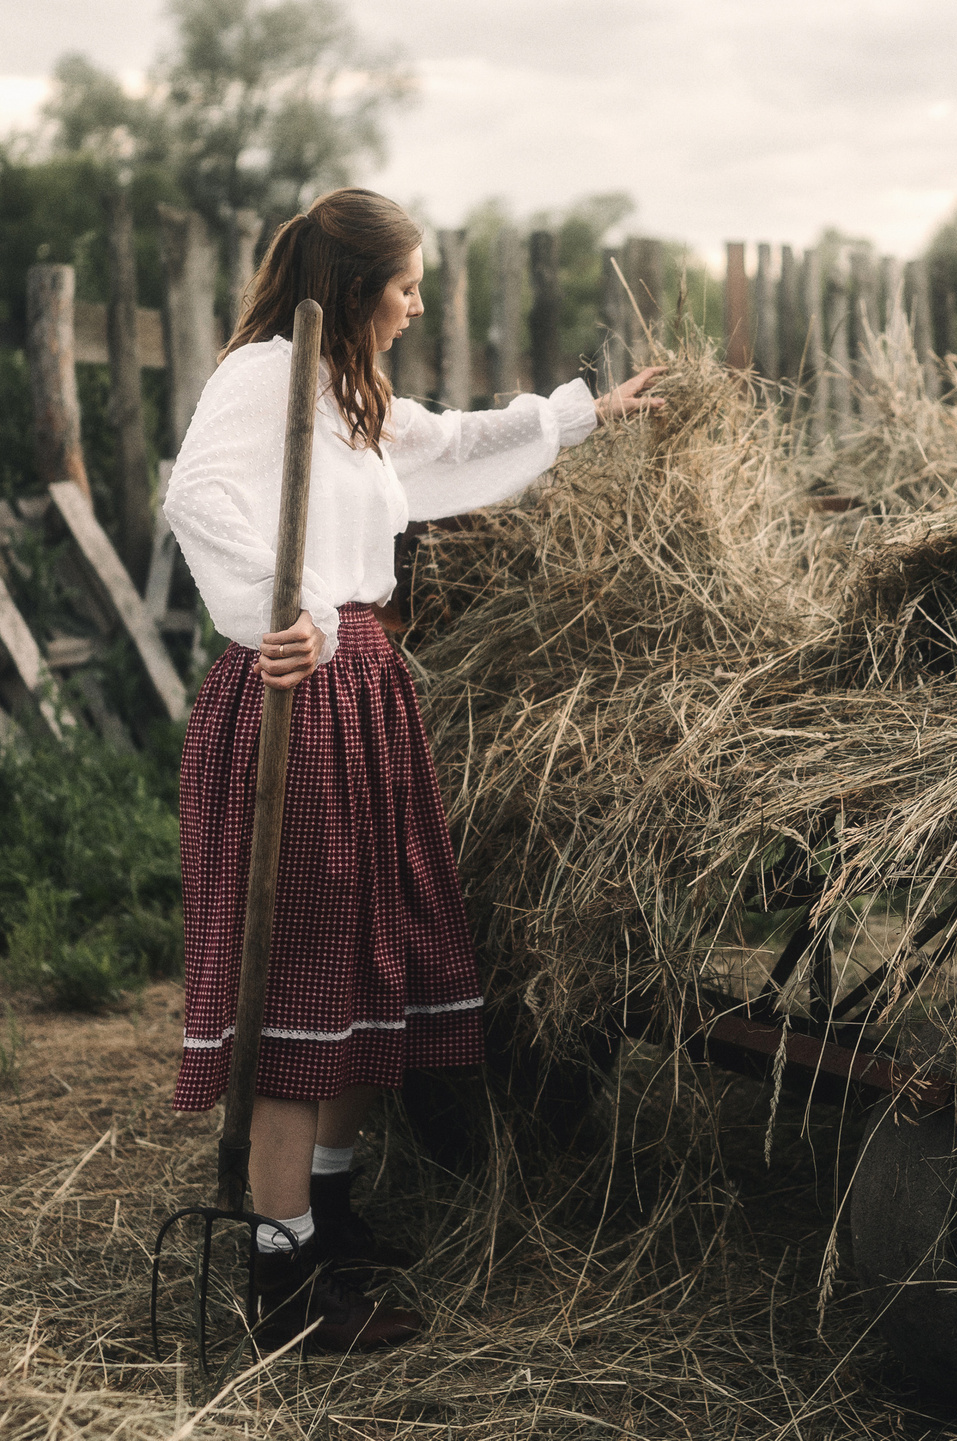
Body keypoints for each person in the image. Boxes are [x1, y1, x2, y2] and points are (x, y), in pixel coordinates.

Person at [163, 187, 663, 1352]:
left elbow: (454, 441)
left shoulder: (348, 393)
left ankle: (326, 1214)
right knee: (300, 980)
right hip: (298, 693)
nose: (417, 303)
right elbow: (198, 499)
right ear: (352, 291)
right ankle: (282, 1281)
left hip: (363, 696)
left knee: (363, 952)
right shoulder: (263, 380)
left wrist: (587, 415)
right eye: (404, 284)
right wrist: (279, 612)